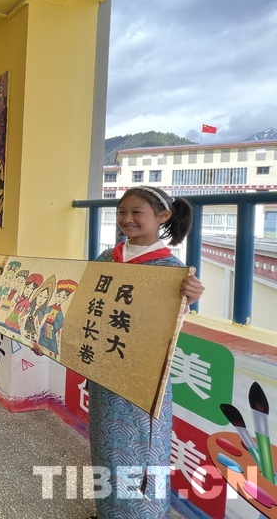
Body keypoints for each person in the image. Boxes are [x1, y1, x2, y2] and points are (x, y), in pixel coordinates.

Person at [87, 185, 204, 519]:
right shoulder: (107, 258)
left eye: (137, 212)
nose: (127, 219)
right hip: (106, 371)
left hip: (144, 378)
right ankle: (107, 511)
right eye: (122, 212)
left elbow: (168, 325)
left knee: (143, 450)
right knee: (106, 447)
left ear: (162, 216)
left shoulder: (173, 270)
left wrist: (189, 299)